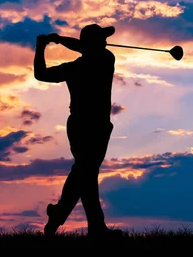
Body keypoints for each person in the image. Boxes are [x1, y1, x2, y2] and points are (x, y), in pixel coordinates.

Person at [33, 23, 123, 238]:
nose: (106, 41)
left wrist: (52, 42)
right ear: (91, 42)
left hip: (97, 125)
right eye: (101, 38)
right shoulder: (83, 64)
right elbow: (41, 74)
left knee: (83, 174)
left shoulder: (104, 58)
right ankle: (97, 229)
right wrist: (46, 46)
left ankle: (58, 214)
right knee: (87, 173)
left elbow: (42, 72)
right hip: (84, 125)